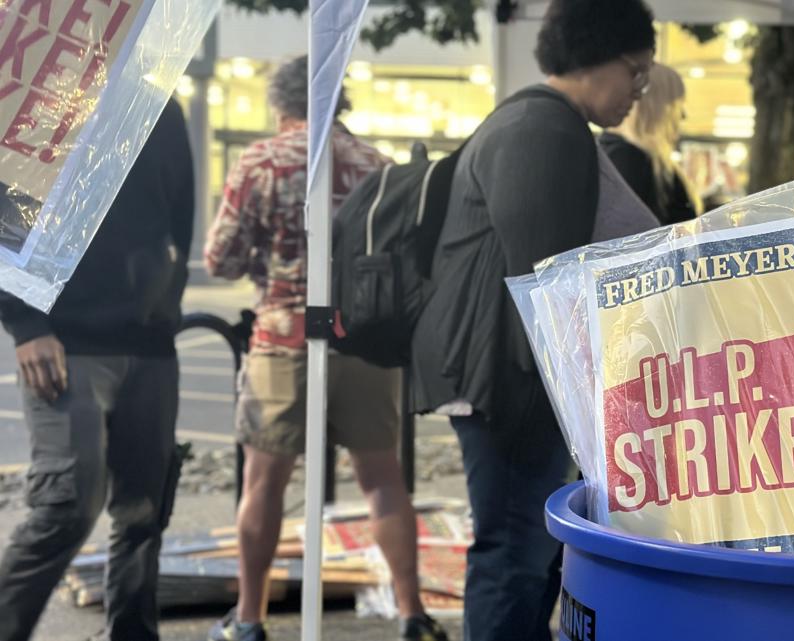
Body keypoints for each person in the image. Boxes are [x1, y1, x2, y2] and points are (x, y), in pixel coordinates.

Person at [410, 1, 658, 639]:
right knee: (514, 555)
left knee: (527, 552)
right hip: (512, 383)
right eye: (636, 71)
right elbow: (547, 284)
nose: (640, 90)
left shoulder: (550, 123)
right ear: (594, 54)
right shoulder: (540, 129)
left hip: (516, 380)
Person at [203, 56, 446, 641]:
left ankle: (250, 620)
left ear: (280, 104)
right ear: (341, 102)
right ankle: (413, 614)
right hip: (362, 340)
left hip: (283, 339)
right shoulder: (376, 166)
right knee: (383, 479)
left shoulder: (261, 161)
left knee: (264, 482)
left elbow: (221, 257)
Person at [0, 100, 194, 641]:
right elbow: (3, 214)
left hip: (150, 341)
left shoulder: (160, 107)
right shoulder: (44, 94)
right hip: (66, 339)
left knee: (143, 514)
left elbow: (181, 216)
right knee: (65, 508)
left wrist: (165, 303)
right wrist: (26, 324)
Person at [600, 63, 704, 224]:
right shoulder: (630, 159)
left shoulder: (625, 156)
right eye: (677, 106)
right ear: (657, 107)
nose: (683, 116)